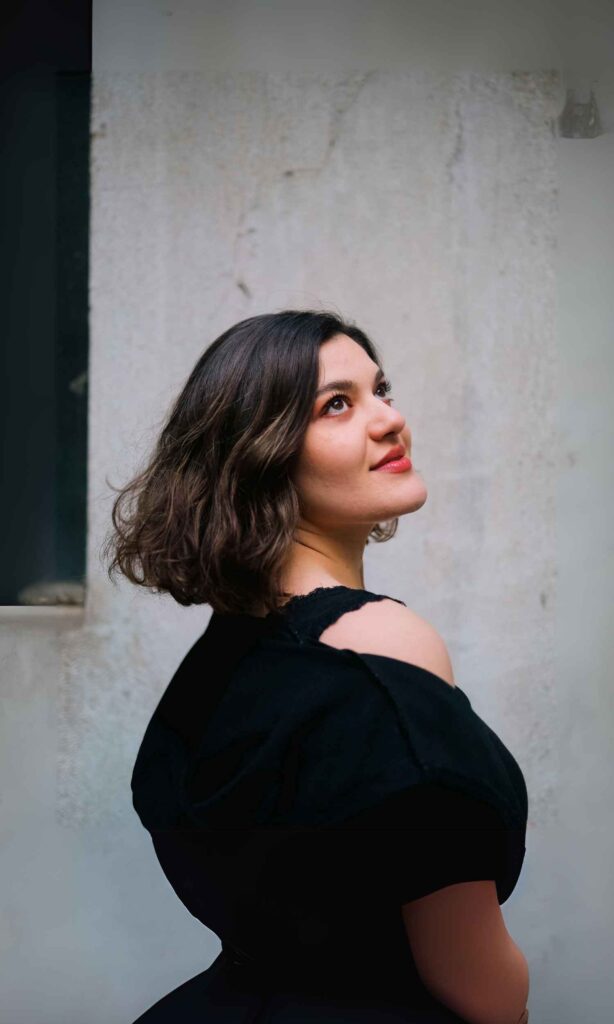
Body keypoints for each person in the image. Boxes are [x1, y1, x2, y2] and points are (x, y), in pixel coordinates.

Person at [102, 309, 530, 1023]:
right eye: (337, 404)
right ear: (262, 455)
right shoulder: (382, 642)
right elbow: (481, 987)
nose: (390, 419)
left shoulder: (220, 657)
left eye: (380, 390)